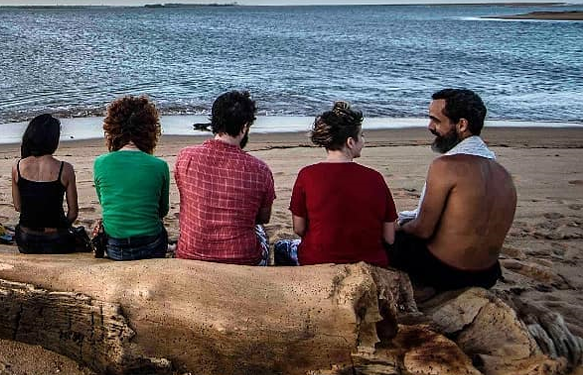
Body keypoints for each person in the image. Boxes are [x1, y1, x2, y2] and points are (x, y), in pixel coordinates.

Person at [390, 88, 517, 291]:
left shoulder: (446, 166)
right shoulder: (502, 172)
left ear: (461, 124)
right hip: (487, 274)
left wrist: (397, 227)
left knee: (387, 237)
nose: (430, 126)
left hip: (448, 273)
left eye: (436, 120)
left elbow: (422, 230)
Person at [273, 102, 396, 267]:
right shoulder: (375, 178)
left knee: (281, 247)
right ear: (351, 142)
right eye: (362, 135)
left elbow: (299, 228)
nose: (364, 140)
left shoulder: (307, 175)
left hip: (317, 260)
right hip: (368, 262)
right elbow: (389, 237)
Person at [175, 91, 275, 266]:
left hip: (190, 254)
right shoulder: (260, 169)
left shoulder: (185, 157)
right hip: (243, 260)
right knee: (261, 232)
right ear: (244, 127)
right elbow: (263, 218)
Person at [93, 96, 170, 260]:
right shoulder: (159, 166)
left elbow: (106, 204)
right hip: (151, 246)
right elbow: (162, 211)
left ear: (112, 129)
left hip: (115, 247)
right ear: (149, 131)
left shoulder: (100, 164)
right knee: (161, 230)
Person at [11, 114, 87, 254]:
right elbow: (73, 213)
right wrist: (60, 226)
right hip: (56, 240)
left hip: (26, 239)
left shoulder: (18, 167)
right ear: (54, 141)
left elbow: (18, 206)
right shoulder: (65, 169)